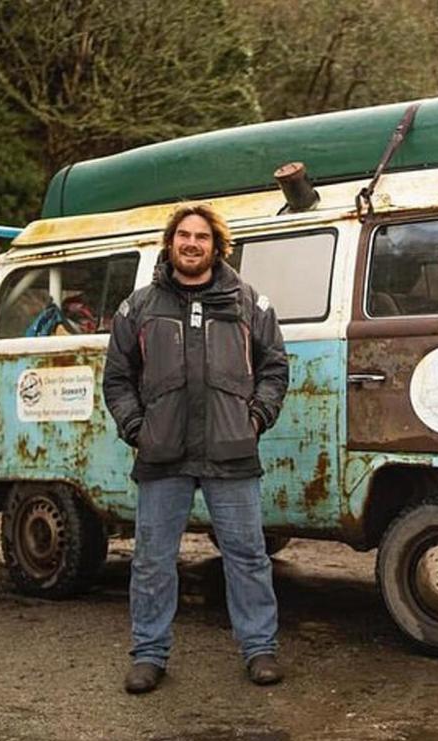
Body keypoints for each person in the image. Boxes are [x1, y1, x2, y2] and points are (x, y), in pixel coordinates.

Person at [103, 204, 290, 694]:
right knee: (151, 560)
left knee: (248, 555)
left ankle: (260, 649)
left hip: (231, 450)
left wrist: (255, 419)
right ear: (170, 244)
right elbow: (118, 378)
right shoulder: (139, 306)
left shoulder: (248, 302)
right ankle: (148, 654)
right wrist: (137, 428)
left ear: (215, 246)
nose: (191, 243)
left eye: (201, 237)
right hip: (162, 453)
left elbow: (274, 368)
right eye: (183, 235)